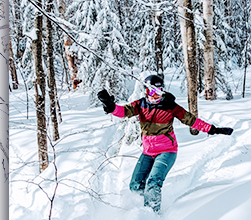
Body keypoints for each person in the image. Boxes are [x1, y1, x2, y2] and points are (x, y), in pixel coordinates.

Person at [97, 74, 233, 212]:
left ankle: (151, 215)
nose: (154, 96)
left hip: (167, 151)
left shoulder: (170, 106)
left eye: (158, 92)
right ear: (145, 91)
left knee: (153, 182)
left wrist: (213, 129)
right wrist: (110, 106)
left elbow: (192, 121)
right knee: (135, 185)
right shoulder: (140, 105)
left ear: (162, 91)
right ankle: (145, 203)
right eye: (151, 92)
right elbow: (123, 111)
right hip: (148, 153)